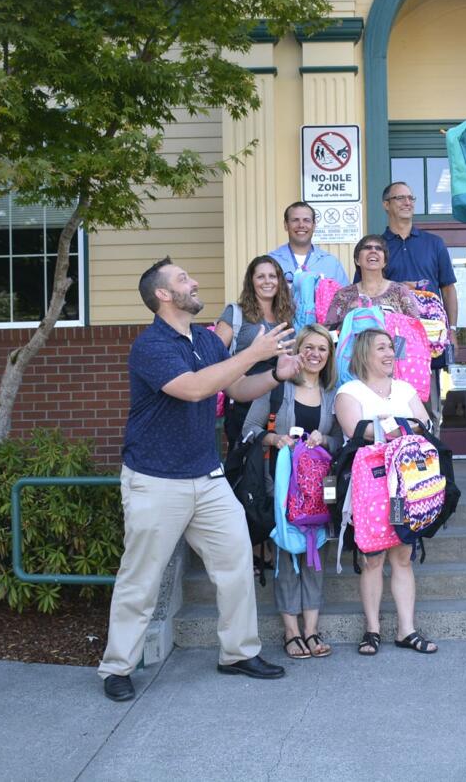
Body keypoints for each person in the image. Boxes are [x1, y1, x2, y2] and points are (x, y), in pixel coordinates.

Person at [99, 257, 300, 701]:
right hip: (155, 479)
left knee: (235, 564)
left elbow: (234, 389)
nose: (194, 282)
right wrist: (253, 353)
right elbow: (193, 388)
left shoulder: (207, 342)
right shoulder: (150, 346)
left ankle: (238, 653)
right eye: (183, 280)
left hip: (206, 477)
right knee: (141, 578)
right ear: (163, 296)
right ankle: (117, 667)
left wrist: (272, 374)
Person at [333, 328, 437, 656]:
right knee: (372, 557)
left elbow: (427, 425)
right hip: (370, 488)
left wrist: (384, 426)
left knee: (403, 555)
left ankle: (407, 630)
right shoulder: (348, 392)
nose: (390, 353)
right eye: (381, 348)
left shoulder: (405, 388)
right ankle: (372, 630)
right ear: (364, 354)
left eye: (391, 347)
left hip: (407, 487)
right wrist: (404, 426)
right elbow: (356, 431)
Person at [243, 324, 341, 659]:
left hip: (320, 489)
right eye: (309, 347)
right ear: (298, 350)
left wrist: (325, 440)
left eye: (322, 349)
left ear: (329, 356)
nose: (315, 354)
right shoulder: (277, 388)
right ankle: (291, 632)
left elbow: (343, 440)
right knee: (286, 555)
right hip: (283, 486)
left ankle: (312, 631)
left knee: (316, 556)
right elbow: (249, 430)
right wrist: (277, 438)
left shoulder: (333, 394)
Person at [377, 182, 458, 431]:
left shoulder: (434, 243)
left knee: (430, 406)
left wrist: (452, 329)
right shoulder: (376, 246)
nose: (407, 202)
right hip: (390, 337)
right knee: (390, 403)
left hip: (428, 338)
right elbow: (367, 290)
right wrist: (398, 287)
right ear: (386, 205)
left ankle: (432, 462)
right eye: (400, 198)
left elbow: (448, 288)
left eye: (411, 197)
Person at [215, 255, 295, 450]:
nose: (267, 281)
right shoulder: (236, 313)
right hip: (245, 398)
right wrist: (255, 353)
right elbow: (214, 355)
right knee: (247, 460)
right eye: (260, 277)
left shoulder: (287, 315)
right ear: (251, 281)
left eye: (272, 276)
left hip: (279, 401)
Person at [321, 234, 420, 329]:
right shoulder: (343, 295)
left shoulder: (400, 291)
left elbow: (416, 328)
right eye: (367, 247)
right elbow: (329, 333)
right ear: (357, 260)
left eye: (379, 248)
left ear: (385, 262)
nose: (373, 251)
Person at [269, 201, 349, 287]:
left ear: (314, 225)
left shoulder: (331, 263)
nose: (301, 225)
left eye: (306, 220)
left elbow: (346, 298)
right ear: (286, 225)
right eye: (295, 220)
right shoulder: (272, 261)